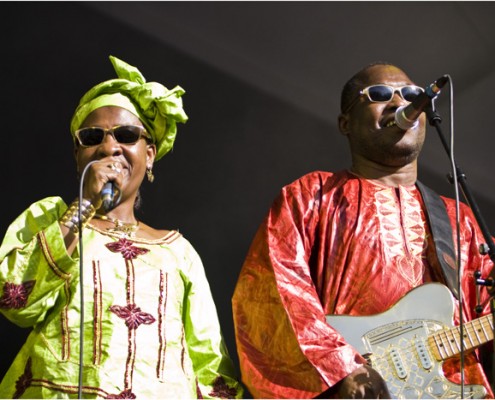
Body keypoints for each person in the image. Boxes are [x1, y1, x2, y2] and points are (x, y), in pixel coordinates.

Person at [232, 62, 495, 399]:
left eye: (412, 94)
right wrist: (342, 369)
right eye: (380, 94)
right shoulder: (311, 195)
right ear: (346, 123)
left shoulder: (461, 219)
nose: (400, 102)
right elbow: (273, 297)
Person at [0, 55, 242, 399]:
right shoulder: (53, 219)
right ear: (78, 154)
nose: (109, 146)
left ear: (150, 154)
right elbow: (13, 300)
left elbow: (210, 367)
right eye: (92, 136)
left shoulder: (178, 252)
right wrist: (83, 207)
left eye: (127, 135)